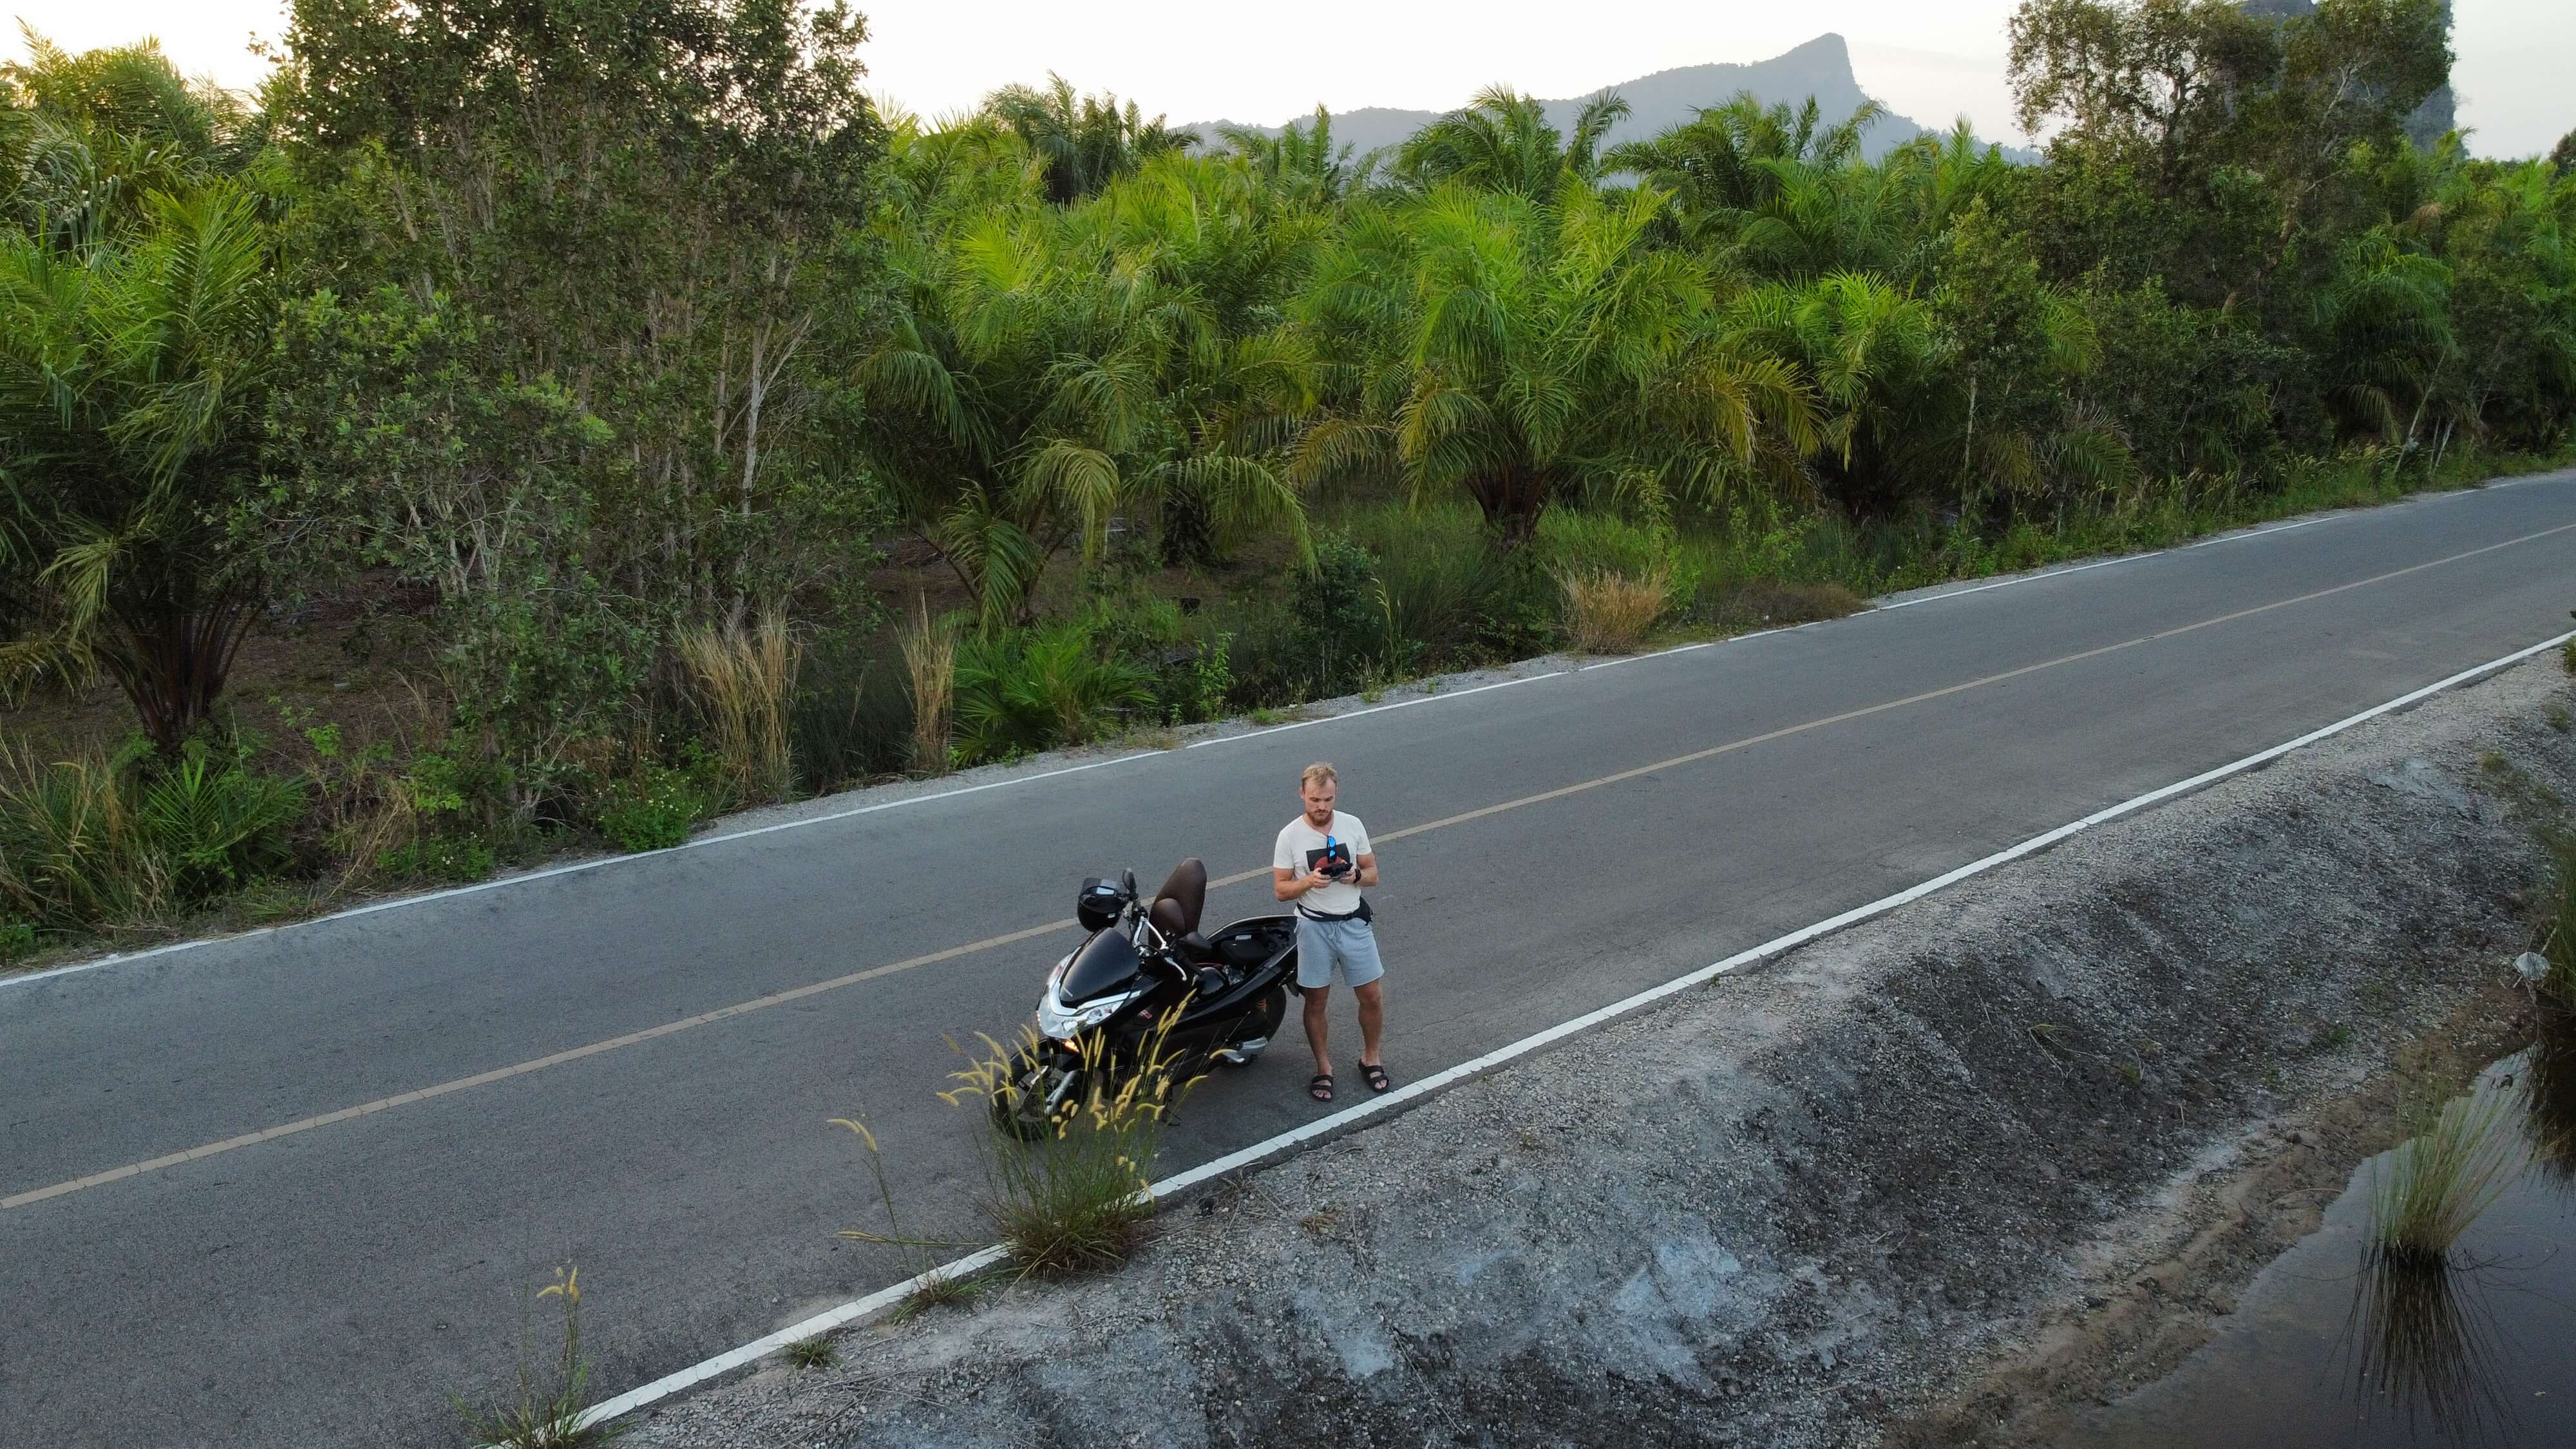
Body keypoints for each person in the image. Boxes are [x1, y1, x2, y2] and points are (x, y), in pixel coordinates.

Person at [1272, 761, 1387, 1103]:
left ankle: (1371, 1058)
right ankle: (1324, 1068)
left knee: (1372, 996)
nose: (1322, 807)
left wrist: (1354, 877)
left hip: (1354, 922)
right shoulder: (1289, 835)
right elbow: (1280, 889)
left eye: (1328, 800)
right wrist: (1309, 881)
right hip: (1313, 928)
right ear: (1302, 795)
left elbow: (1374, 874)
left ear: (1335, 795)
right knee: (1316, 1002)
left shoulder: (1352, 825)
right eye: (1314, 800)